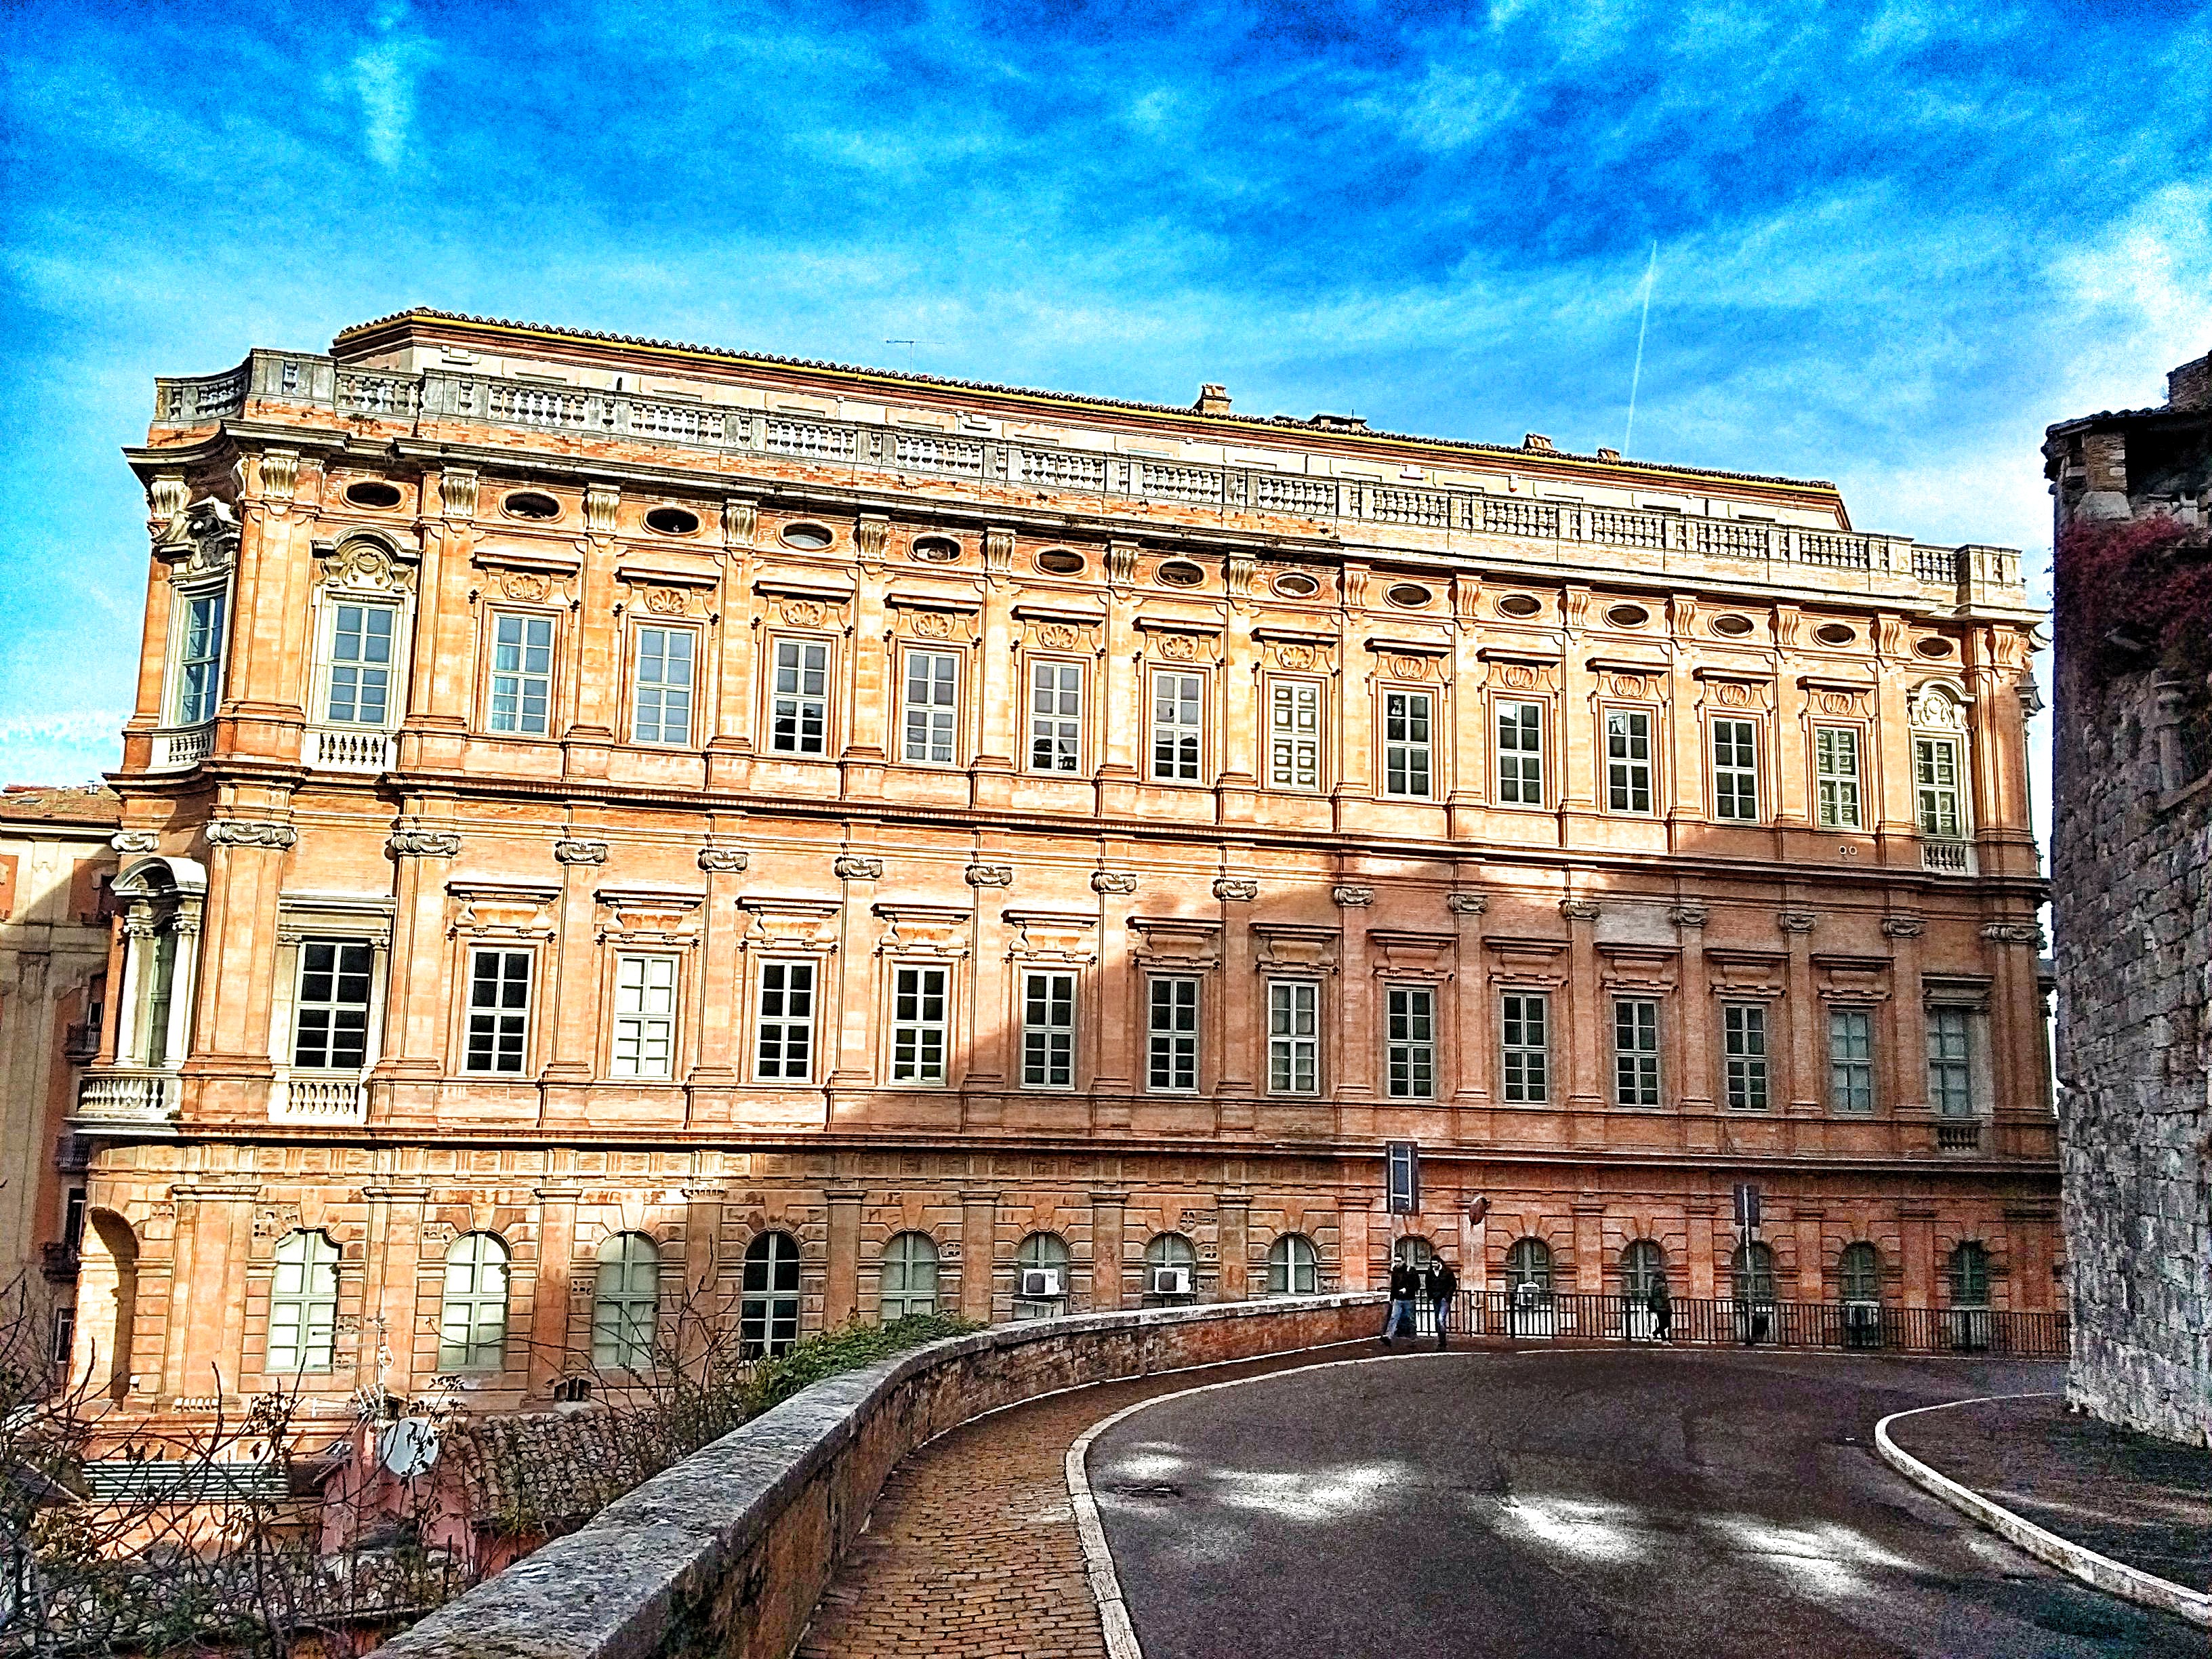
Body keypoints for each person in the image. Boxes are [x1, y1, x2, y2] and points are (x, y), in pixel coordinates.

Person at [1381, 1254, 1420, 1346]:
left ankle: (1413, 1339)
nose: (1397, 1263)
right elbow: (1393, 1286)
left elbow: (1417, 1285)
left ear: (1403, 1261)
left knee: (1411, 1319)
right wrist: (1392, 1298)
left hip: (1409, 1299)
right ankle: (1388, 1336)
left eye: (1399, 1261)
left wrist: (1407, 1289)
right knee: (1394, 1317)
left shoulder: (1411, 1270)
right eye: (1395, 1261)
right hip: (1398, 1299)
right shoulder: (1395, 1272)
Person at [1424, 1254, 1459, 1350]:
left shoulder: (1447, 1272)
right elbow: (1428, 1285)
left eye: (1435, 1263)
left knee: (1440, 1319)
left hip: (1444, 1299)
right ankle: (1441, 1340)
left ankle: (1442, 1343)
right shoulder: (1430, 1272)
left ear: (1439, 1262)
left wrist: (1447, 1296)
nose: (1433, 1265)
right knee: (1437, 1320)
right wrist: (1430, 1296)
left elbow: (1453, 1285)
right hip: (1436, 1299)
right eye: (1432, 1263)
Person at [1647, 1273, 1673, 1343]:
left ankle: (1664, 1340)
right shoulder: (1662, 1285)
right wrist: (1669, 1305)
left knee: (1661, 1323)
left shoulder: (1653, 1285)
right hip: (1663, 1307)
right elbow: (1664, 1297)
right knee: (1666, 1324)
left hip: (1657, 1307)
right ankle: (1654, 1334)